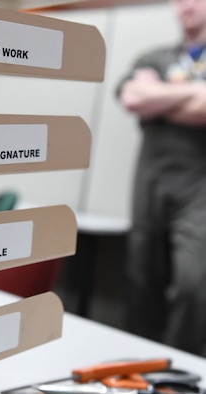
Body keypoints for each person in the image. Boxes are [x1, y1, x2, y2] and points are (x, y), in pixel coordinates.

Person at [117, 0, 206, 356]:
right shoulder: (154, 56)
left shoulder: (156, 71)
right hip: (151, 181)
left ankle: (179, 367)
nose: (185, 4)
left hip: (199, 187)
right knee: (143, 278)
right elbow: (133, 97)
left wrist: (160, 97)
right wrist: (195, 92)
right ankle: (136, 366)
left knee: (192, 284)